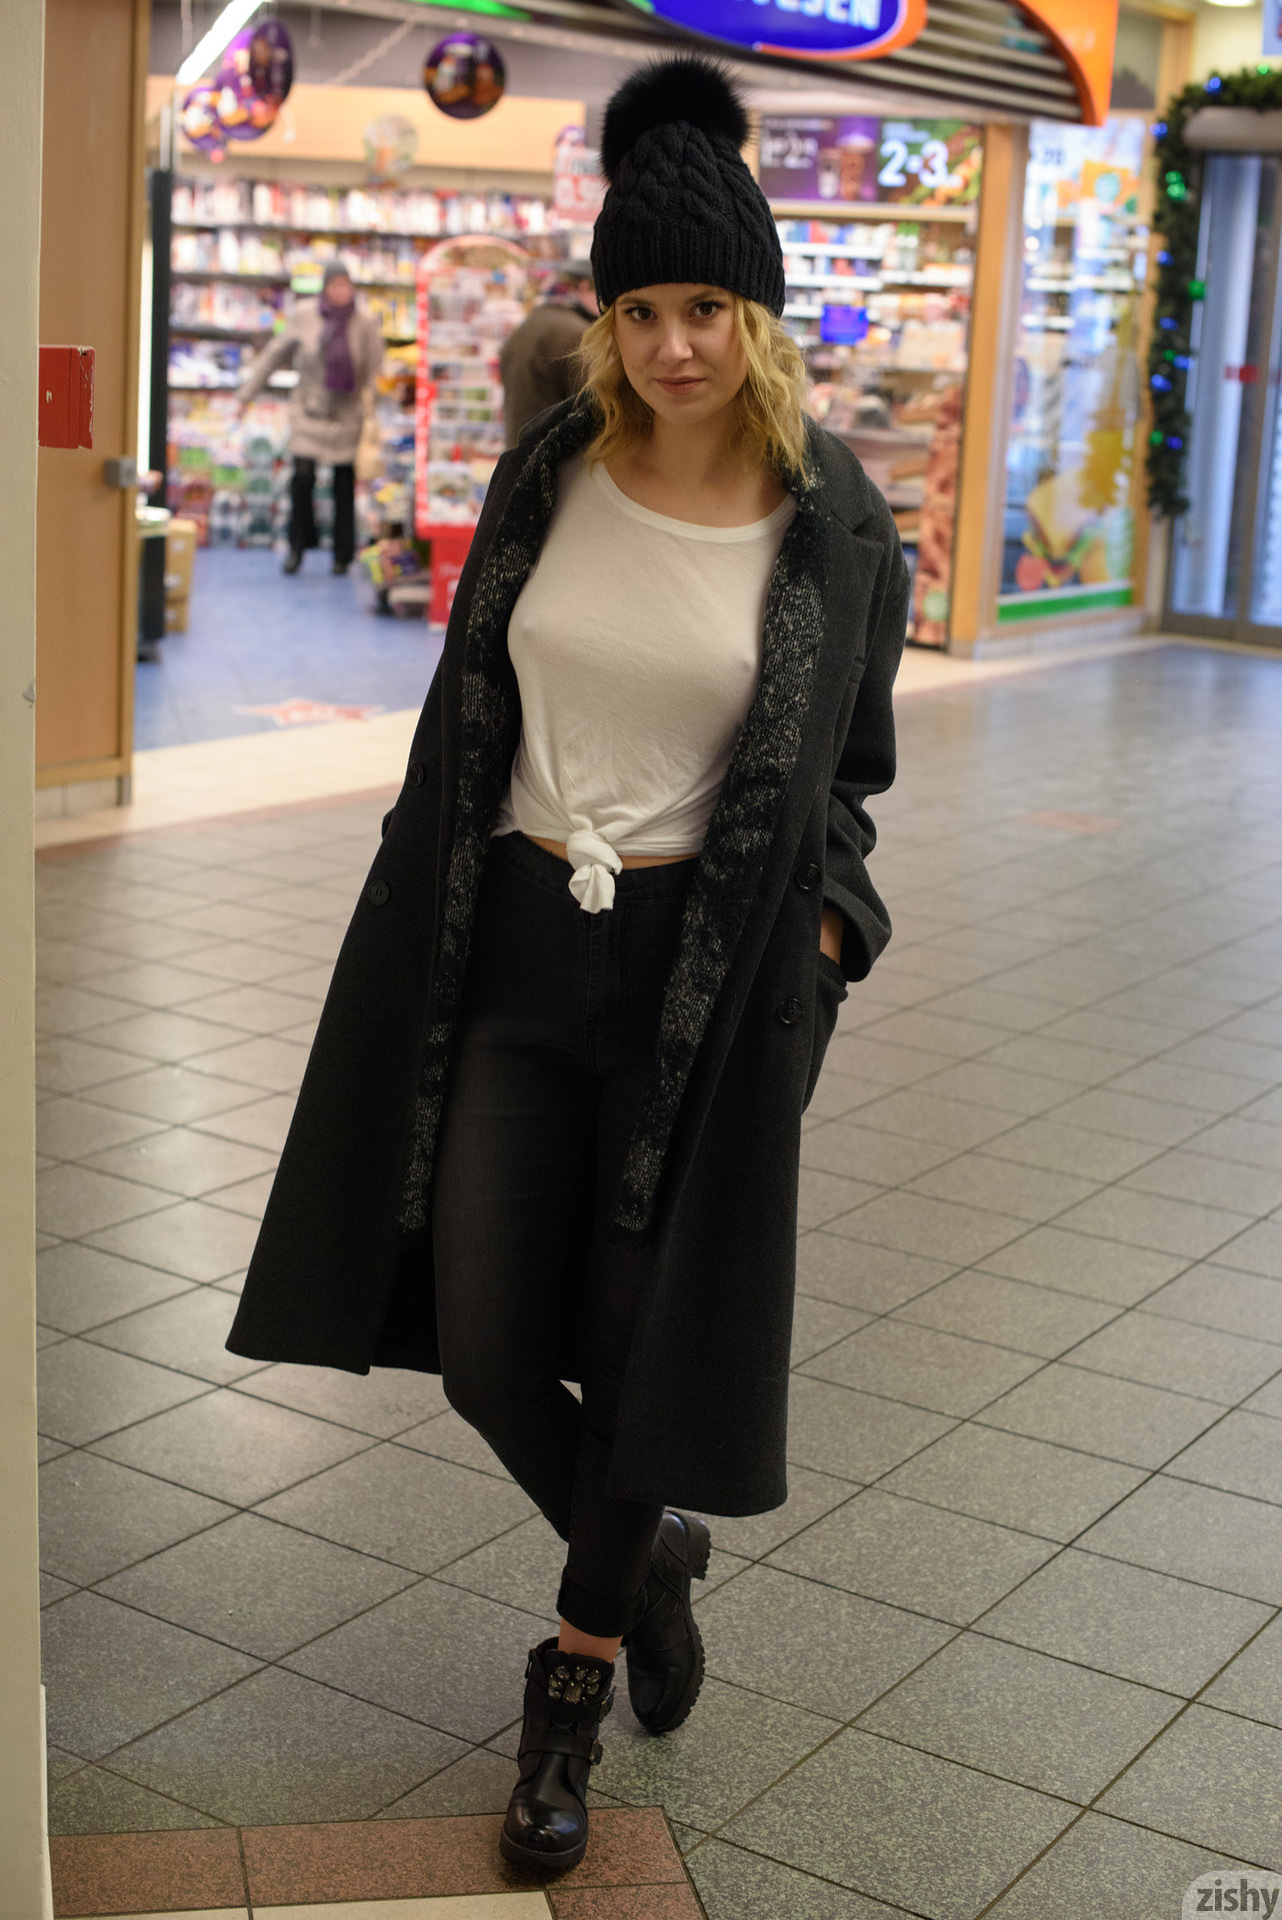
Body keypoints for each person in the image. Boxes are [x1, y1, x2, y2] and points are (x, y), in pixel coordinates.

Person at [226, 54, 908, 1876]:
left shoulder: (834, 521)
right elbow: (472, 705)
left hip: (709, 977)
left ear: (755, 318)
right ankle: (650, 1546)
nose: (673, 346)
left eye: (705, 310)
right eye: (640, 310)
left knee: (647, 1342)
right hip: (514, 947)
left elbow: (850, 770)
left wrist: (824, 935)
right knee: (483, 1342)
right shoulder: (550, 473)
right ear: (602, 319)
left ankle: (571, 1687)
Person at [238, 258, 383, 575]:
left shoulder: (364, 321)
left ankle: (342, 556)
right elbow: (274, 355)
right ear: (325, 287)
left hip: (347, 416)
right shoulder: (304, 315)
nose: (342, 291)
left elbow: (375, 369)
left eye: (346, 285)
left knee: (344, 485)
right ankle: (297, 548)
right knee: (302, 480)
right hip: (309, 412)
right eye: (335, 285)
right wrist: (246, 395)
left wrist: (377, 410)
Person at [499, 259, 598, 446]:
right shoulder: (577, 334)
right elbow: (592, 410)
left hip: (519, 451)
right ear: (585, 287)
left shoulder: (530, 324)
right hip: (553, 456)